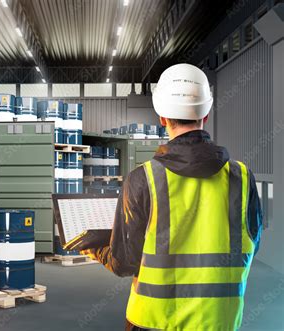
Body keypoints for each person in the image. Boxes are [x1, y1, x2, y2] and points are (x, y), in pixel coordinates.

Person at [83, 63, 263, 331]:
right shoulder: (243, 177)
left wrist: (92, 246)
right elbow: (252, 245)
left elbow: (124, 262)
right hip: (218, 323)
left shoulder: (142, 178)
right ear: (207, 113)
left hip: (151, 322)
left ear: (162, 118)